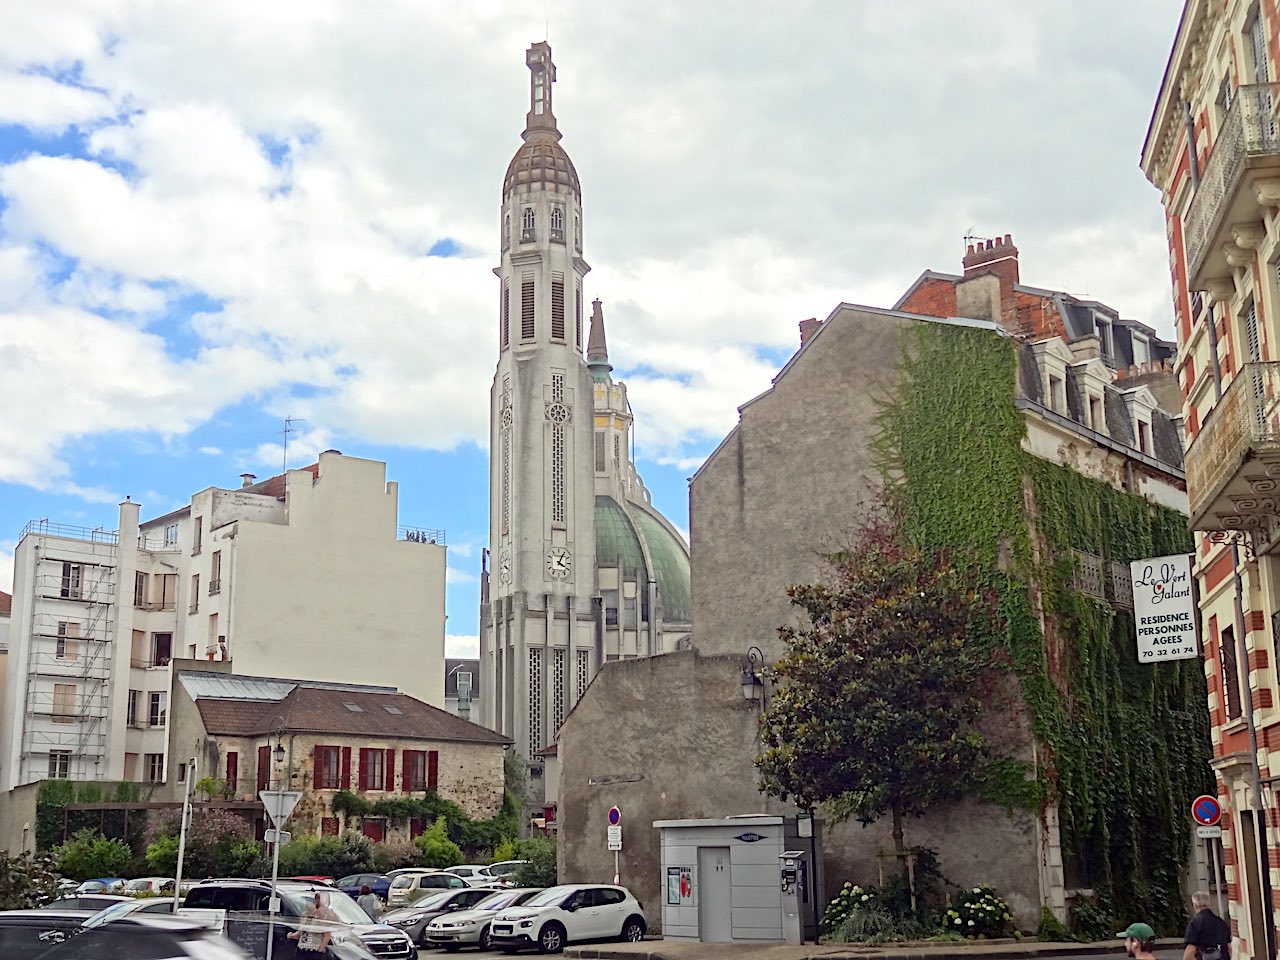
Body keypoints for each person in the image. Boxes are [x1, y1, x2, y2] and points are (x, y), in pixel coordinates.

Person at [1184, 890, 1231, 960]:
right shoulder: (1221, 922)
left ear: (1195, 905)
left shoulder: (1194, 923)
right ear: (1209, 905)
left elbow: (1190, 950)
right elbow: (1229, 947)